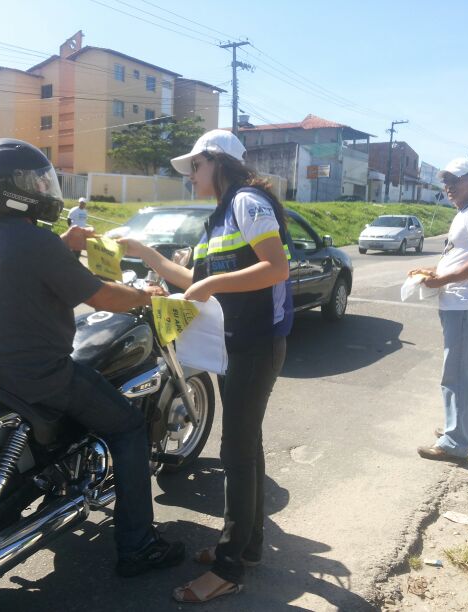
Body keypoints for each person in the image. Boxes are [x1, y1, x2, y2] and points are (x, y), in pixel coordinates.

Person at [0, 138, 184, 577]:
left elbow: (22, 261)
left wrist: (67, 241)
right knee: (130, 426)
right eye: (35, 181)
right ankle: (137, 545)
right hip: (40, 375)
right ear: (12, 189)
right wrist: (147, 293)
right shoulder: (35, 241)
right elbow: (102, 295)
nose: (44, 188)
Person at [120, 129, 293, 603]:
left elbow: (275, 267)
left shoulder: (247, 201)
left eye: (195, 165)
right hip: (232, 344)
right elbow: (195, 279)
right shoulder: (218, 217)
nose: (190, 174)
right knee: (246, 446)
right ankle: (247, 547)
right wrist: (146, 253)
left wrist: (211, 287)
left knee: (236, 453)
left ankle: (229, 566)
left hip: (255, 345)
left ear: (218, 162)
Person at [409, 158, 468, 464]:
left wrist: (442, 279)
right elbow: (462, 256)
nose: (449, 187)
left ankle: (454, 442)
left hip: (465, 305)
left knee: (457, 374)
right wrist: (436, 272)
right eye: (445, 182)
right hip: (465, 303)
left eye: (455, 181)